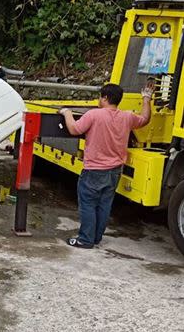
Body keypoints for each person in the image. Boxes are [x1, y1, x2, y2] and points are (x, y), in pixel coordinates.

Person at [59, 81, 154, 249]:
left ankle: (85, 240)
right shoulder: (127, 117)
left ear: (105, 98)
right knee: (104, 204)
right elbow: (145, 119)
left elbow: (74, 129)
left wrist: (66, 113)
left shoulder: (94, 115)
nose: (98, 100)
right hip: (115, 170)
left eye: (100, 97)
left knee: (88, 203)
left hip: (94, 169)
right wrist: (146, 98)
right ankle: (95, 238)